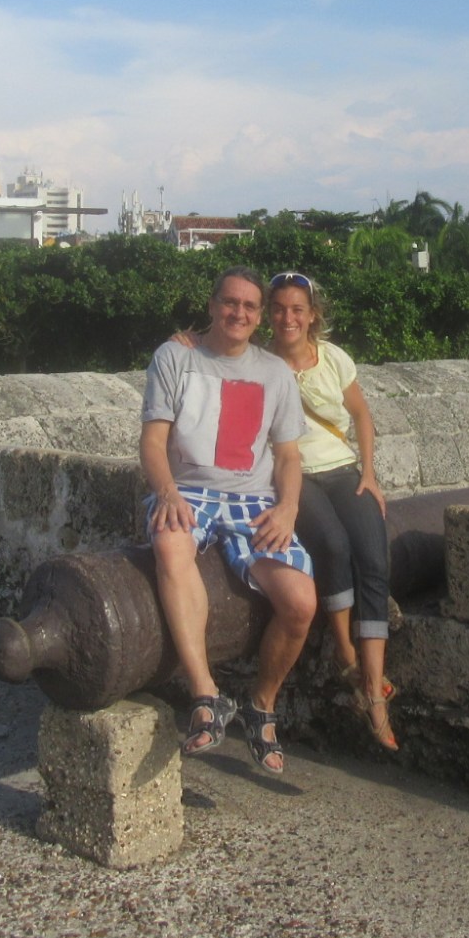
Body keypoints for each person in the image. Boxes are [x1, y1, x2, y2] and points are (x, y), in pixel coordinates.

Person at [140, 267, 315, 775]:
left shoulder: (274, 373)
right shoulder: (175, 356)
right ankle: (206, 695)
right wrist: (167, 492)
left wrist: (288, 508)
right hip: (189, 489)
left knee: (301, 602)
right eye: (230, 302)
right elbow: (153, 441)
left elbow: (288, 456)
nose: (239, 313)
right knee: (170, 544)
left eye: (249, 306)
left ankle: (261, 705)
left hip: (252, 499)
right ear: (213, 305)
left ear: (259, 317)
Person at [264, 271, 398, 750]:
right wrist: (188, 338)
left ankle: (373, 688)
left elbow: (360, 414)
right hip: (295, 473)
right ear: (269, 314)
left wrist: (369, 473)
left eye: (297, 310)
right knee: (334, 546)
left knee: (374, 557)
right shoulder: (260, 364)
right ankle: (346, 655)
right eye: (279, 309)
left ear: (311, 315)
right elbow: (214, 345)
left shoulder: (334, 358)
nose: (288, 318)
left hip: (342, 469)